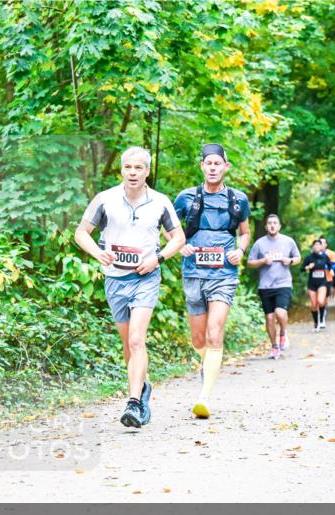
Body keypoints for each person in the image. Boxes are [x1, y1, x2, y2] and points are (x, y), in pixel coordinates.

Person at [75, 146, 185, 428]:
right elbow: (81, 233)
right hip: (115, 279)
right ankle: (143, 386)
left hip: (145, 278)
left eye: (139, 168)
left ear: (147, 171)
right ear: (121, 170)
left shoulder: (160, 202)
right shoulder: (105, 199)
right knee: (128, 345)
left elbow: (178, 238)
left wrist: (157, 259)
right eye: (128, 167)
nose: (133, 172)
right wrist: (98, 254)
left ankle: (134, 403)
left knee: (137, 339)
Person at [174, 143, 251, 418]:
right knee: (198, 339)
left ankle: (204, 398)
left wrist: (240, 250)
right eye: (209, 163)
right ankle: (207, 367)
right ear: (202, 166)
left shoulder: (238, 199)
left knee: (214, 333)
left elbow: (244, 232)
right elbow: (168, 229)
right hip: (194, 272)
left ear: (226, 167)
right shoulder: (186, 197)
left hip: (223, 275)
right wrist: (179, 245)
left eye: (218, 163)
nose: (213, 167)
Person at [247, 214, 300, 359]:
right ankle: (274, 347)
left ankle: (283, 333)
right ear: (266, 227)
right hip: (265, 286)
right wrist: (263, 260)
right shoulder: (259, 243)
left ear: (279, 226)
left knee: (280, 312)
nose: (272, 225)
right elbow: (250, 262)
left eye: (275, 223)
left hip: (283, 283)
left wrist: (289, 261)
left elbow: (298, 258)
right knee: (269, 318)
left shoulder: (288, 241)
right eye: (269, 223)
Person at [301, 239, 332, 331]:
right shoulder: (309, 258)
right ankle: (316, 323)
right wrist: (308, 267)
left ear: (321, 247)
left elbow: (330, 265)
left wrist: (330, 271)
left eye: (319, 245)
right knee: (314, 305)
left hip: (322, 282)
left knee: (321, 301)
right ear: (313, 247)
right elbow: (302, 269)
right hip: (312, 284)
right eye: (315, 245)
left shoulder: (325, 257)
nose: (317, 247)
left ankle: (322, 318)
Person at [319, 237, 335, 319]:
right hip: (316, 280)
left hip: (327, 278)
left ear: (326, 244)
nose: (321, 245)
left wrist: (331, 269)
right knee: (319, 298)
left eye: (323, 243)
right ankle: (320, 313)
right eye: (319, 243)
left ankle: (322, 311)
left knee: (324, 298)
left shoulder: (331, 253)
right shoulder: (314, 254)